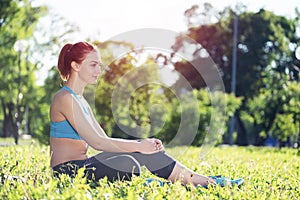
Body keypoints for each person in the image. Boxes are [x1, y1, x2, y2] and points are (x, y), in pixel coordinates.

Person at [50, 41, 243, 188]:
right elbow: (97, 143)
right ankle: (163, 184)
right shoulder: (64, 98)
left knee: (137, 155)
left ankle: (205, 181)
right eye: (93, 65)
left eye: (99, 65)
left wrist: (143, 146)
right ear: (76, 66)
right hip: (68, 172)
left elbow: (104, 139)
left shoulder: (81, 100)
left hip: (86, 164)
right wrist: (140, 146)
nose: (99, 70)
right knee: (127, 162)